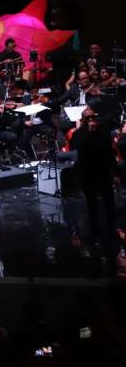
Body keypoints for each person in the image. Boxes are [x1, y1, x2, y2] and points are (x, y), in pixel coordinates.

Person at [70, 108, 118, 271]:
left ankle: (111, 234)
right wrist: (84, 130)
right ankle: (95, 235)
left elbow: (110, 154)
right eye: (88, 118)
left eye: (93, 117)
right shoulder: (79, 134)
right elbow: (76, 147)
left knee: (109, 203)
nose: (92, 120)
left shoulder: (103, 133)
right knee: (92, 205)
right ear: (84, 120)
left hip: (103, 173)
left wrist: (116, 173)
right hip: (88, 175)